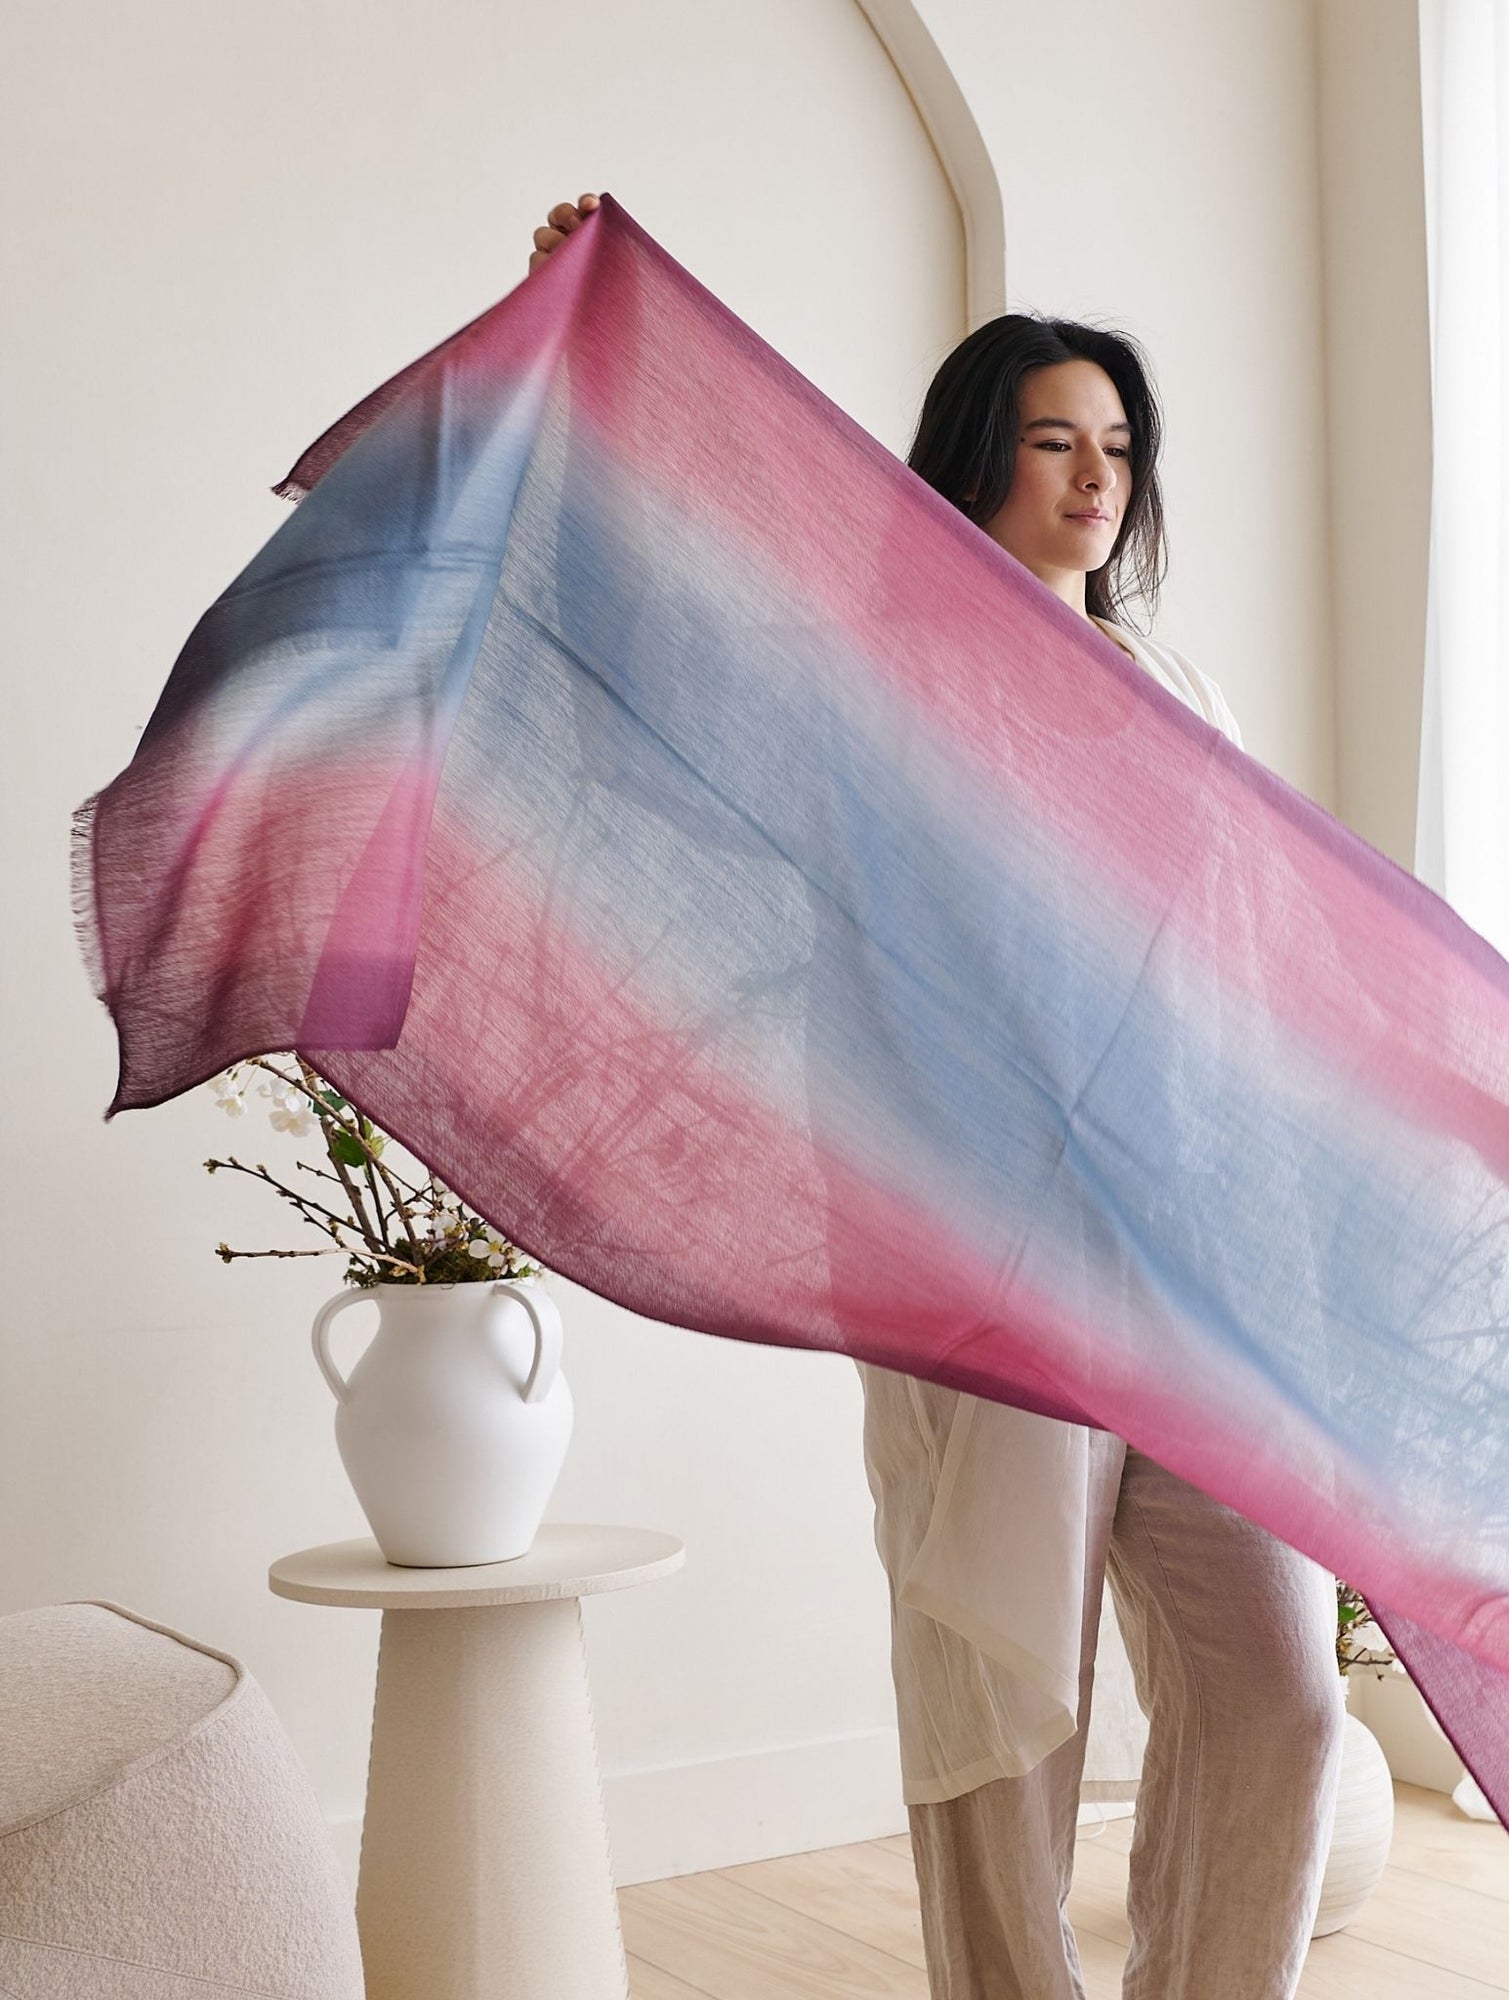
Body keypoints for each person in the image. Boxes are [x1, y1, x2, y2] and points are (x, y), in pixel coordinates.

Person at [532, 195, 1346, 2000]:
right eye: (1054, 440)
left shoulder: (1176, 690)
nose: (1094, 477)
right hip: (988, 1277)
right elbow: (663, 717)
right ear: (978, 459)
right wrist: (588, 366)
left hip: (1189, 1275)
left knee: (1279, 1695)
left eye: (1119, 446)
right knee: (1003, 1713)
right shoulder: (876, 695)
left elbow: (1248, 978)